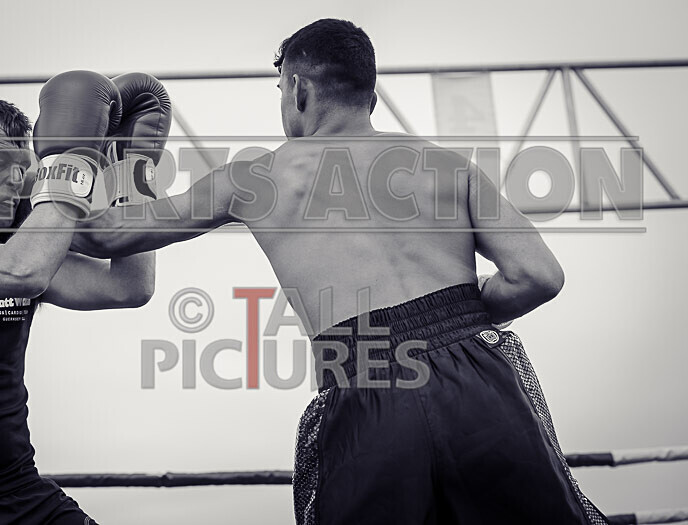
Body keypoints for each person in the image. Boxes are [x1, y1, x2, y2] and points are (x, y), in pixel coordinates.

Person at [72, 19, 606, 525]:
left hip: (366, 383)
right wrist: (456, 317)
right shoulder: (449, 165)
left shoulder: (253, 179)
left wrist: (125, 160)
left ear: (298, 88)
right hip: (483, 386)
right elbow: (539, 276)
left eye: (280, 90)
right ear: (369, 97)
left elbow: (106, 236)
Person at [0, 70, 169, 524]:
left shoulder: (19, 244)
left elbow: (130, 285)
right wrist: (69, 163)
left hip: (17, 493)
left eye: (22, 166)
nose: (15, 179)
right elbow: (19, 270)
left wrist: (134, 168)